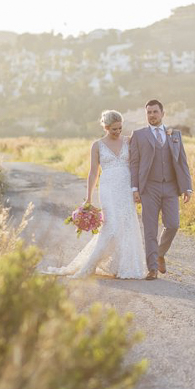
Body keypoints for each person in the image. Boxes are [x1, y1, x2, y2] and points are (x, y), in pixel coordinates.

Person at [46, 110, 146, 279]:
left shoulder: (129, 141)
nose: (118, 132)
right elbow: (93, 173)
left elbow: (147, 144)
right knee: (111, 226)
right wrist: (89, 197)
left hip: (125, 188)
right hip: (107, 188)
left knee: (127, 224)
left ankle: (122, 266)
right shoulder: (97, 145)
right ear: (106, 127)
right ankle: (91, 264)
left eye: (120, 128)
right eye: (114, 129)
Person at [129, 99, 193, 280]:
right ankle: (152, 269)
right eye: (149, 112)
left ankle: (159, 253)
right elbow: (134, 164)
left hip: (171, 187)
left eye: (155, 112)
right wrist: (135, 188)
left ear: (163, 113)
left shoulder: (175, 135)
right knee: (150, 229)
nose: (152, 115)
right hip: (149, 187)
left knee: (173, 224)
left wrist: (187, 187)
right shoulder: (139, 135)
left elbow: (182, 162)